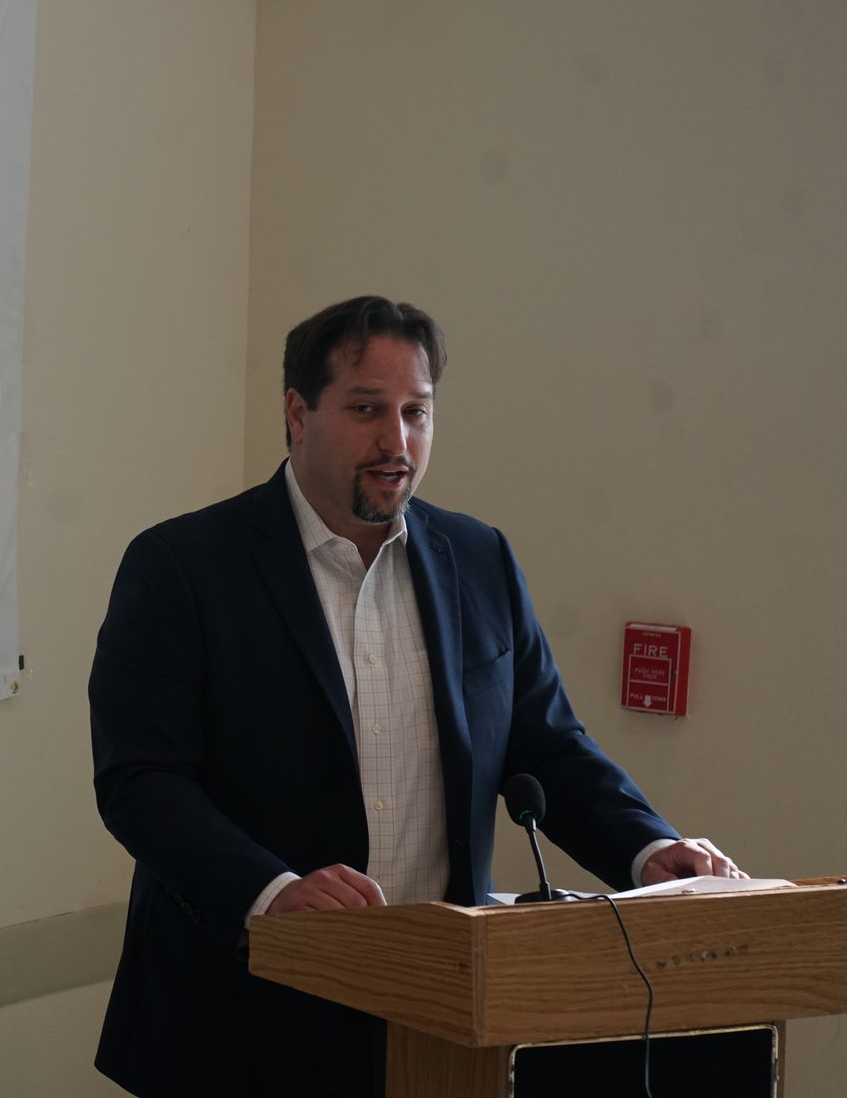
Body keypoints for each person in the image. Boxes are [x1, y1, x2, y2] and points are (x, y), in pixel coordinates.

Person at [87, 296, 740, 1097]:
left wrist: (648, 854)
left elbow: (545, 747)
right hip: (240, 1015)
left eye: (416, 413)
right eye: (367, 410)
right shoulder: (182, 567)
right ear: (298, 414)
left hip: (440, 1016)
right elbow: (141, 781)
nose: (397, 442)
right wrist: (273, 891)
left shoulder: (479, 558)